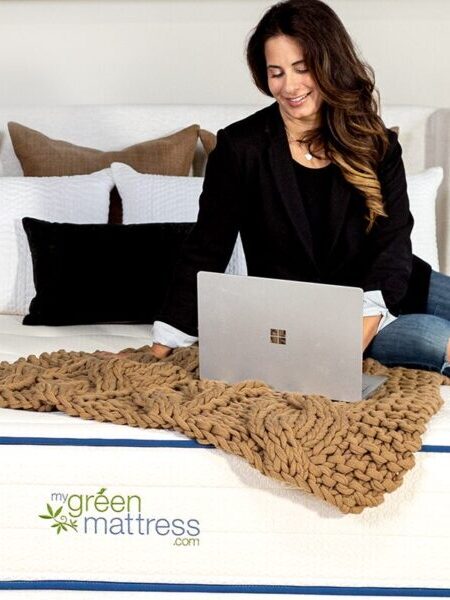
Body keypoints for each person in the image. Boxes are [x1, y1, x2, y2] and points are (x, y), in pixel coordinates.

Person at [149, 0, 450, 376]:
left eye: (301, 68)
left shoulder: (374, 142)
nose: (289, 86)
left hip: (387, 291)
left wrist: (362, 323)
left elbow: (392, 243)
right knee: (439, 341)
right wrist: (162, 346)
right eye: (276, 73)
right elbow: (206, 248)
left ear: (328, 64)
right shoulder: (241, 148)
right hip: (308, 319)